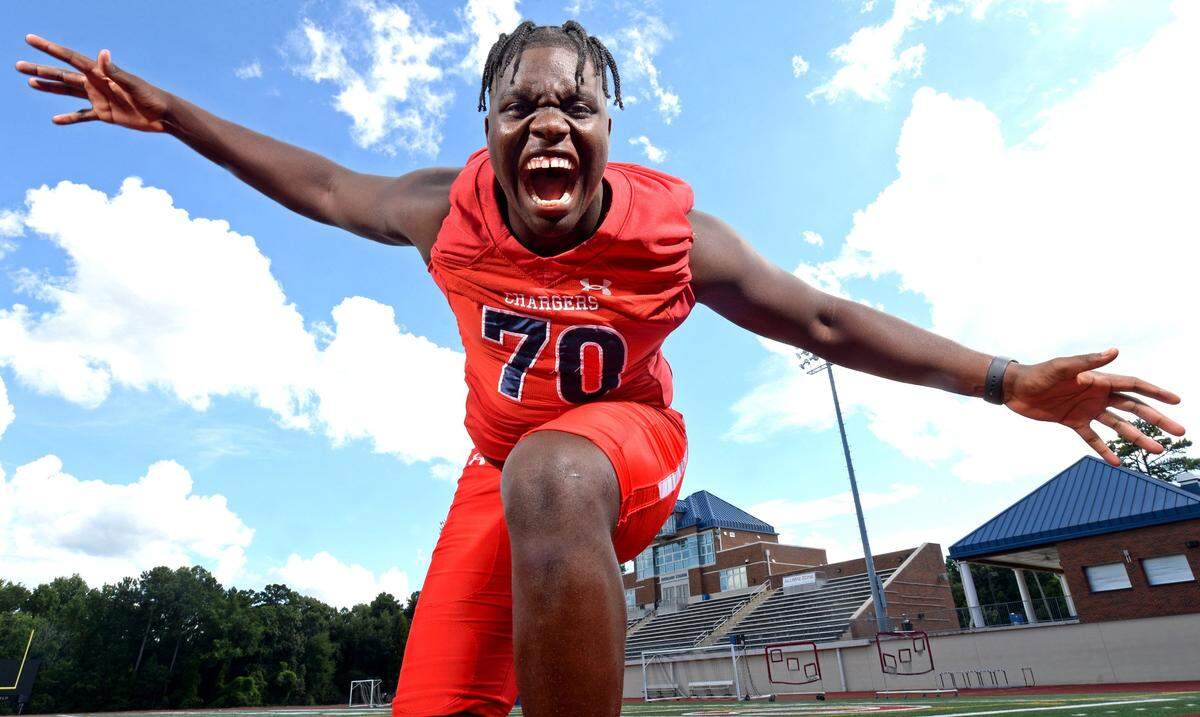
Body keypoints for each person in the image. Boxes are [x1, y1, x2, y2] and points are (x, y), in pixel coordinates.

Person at [15, 19, 1184, 717]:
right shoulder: (444, 211)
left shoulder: (673, 233)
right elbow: (321, 186)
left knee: (559, 472)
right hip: (499, 477)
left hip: (624, 446)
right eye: (520, 104)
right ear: (487, 128)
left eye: (574, 103)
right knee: (442, 684)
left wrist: (1003, 379)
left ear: (610, 126)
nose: (548, 124)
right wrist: (173, 113)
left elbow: (823, 320)